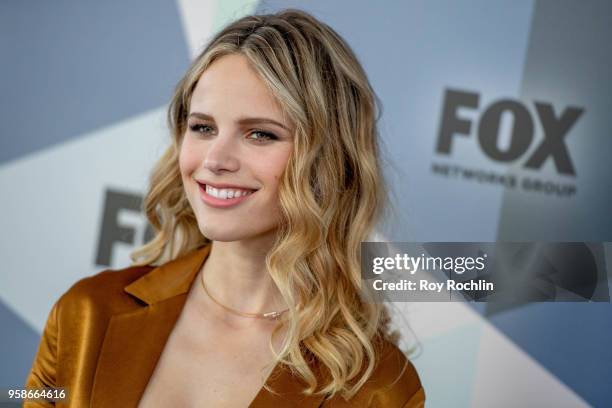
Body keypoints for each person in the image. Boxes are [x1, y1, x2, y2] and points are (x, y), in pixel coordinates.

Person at [25, 8, 424, 407]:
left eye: (260, 134)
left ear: (328, 160)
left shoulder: (379, 389)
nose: (215, 159)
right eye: (203, 127)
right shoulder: (86, 314)